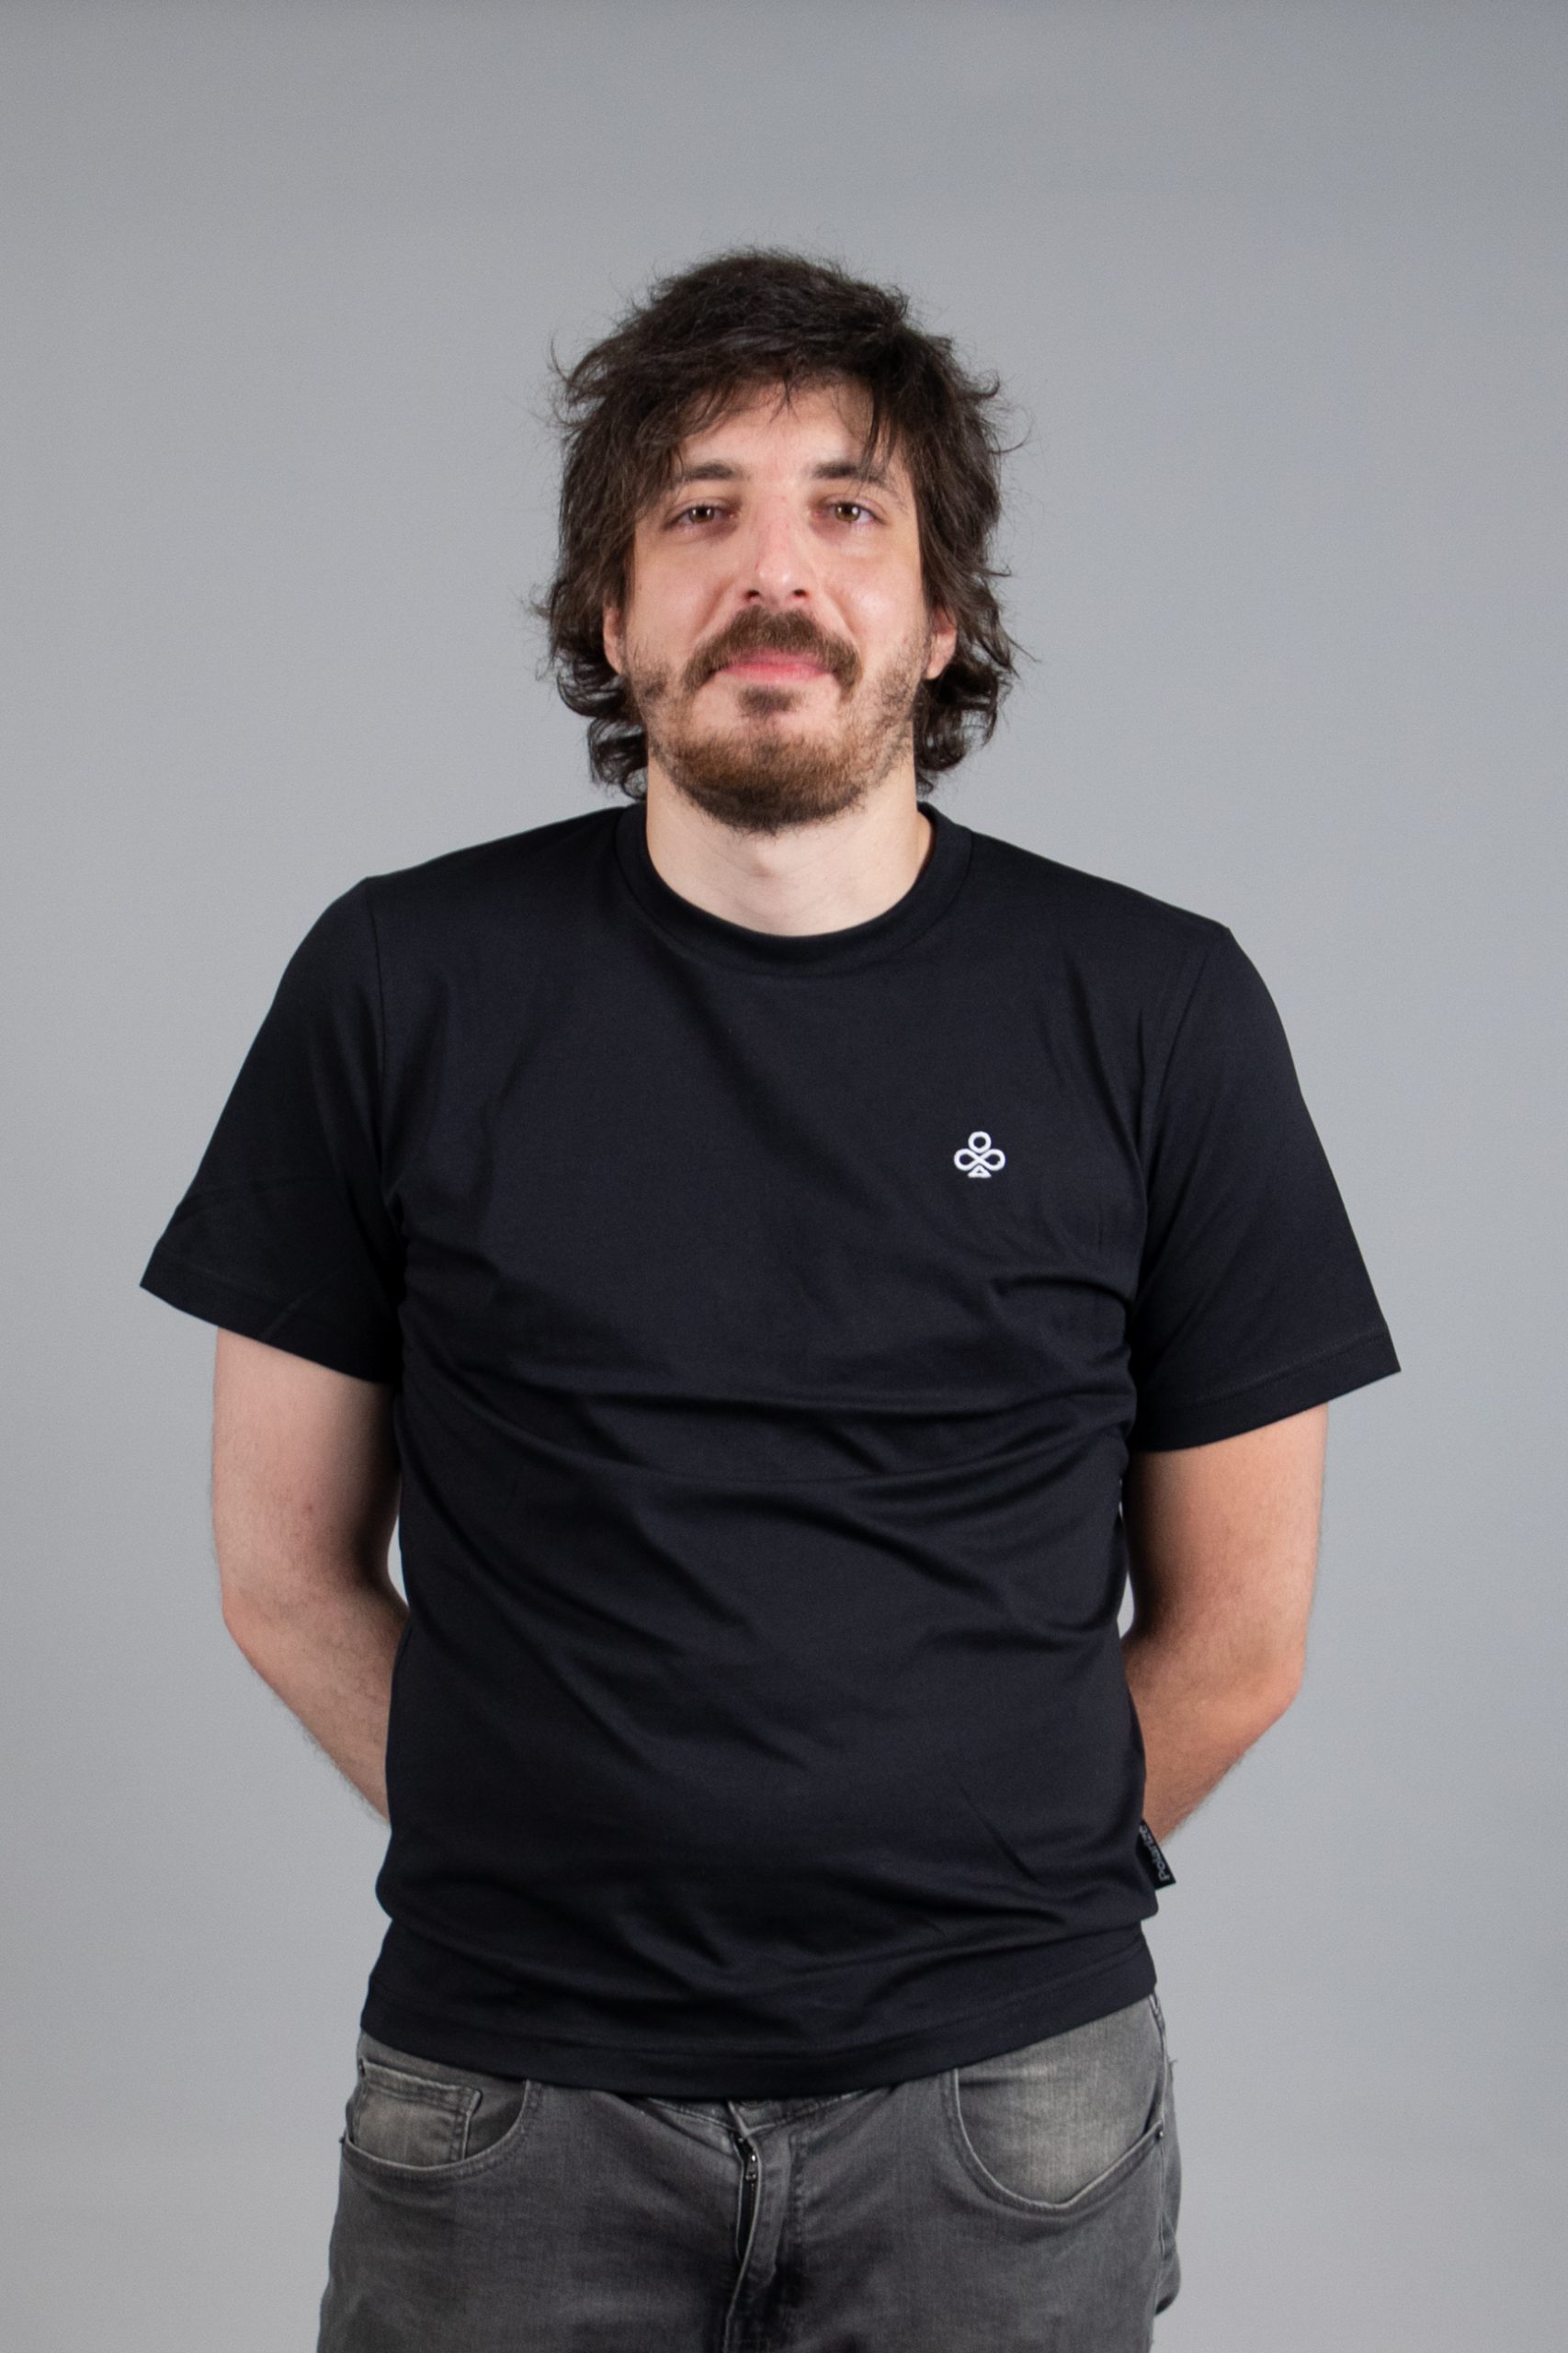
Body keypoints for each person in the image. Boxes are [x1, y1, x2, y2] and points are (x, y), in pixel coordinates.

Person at [140, 248, 1399, 2351]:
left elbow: (1242, 1634)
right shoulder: (399, 982)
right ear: (609, 610)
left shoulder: (1155, 1007)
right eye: (698, 510)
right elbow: (281, 1571)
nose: (773, 569)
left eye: (849, 508)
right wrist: (554, 1862)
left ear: (942, 609)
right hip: (511, 2087)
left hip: (1004, 2104)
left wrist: (966, 1907)